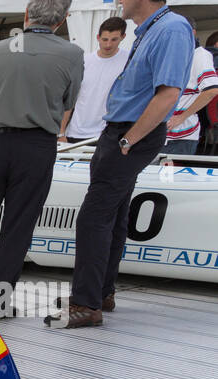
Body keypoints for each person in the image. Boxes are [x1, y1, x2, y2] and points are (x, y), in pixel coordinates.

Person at [46, 0, 192, 329]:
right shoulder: (155, 30)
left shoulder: (171, 29)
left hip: (129, 134)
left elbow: (168, 94)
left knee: (93, 218)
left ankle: (86, 304)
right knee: (111, 217)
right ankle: (99, 293)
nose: (119, 1)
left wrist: (129, 140)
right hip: (121, 132)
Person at [0, 0, 83, 318]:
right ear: (62, 20)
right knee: (18, 227)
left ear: (26, 15)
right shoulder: (72, 54)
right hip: (37, 145)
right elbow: (69, 99)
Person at [60, 16, 129, 143]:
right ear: (98, 37)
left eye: (114, 39)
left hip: (108, 134)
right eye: (104, 39)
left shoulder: (129, 61)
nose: (108, 44)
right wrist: (61, 132)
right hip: (76, 132)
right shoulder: (83, 61)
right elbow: (69, 98)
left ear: (123, 37)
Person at [161, 19, 218, 155]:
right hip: (161, 135)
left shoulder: (199, 55)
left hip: (181, 138)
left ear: (192, 32)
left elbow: (212, 90)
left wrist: (181, 117)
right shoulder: (171, 54)